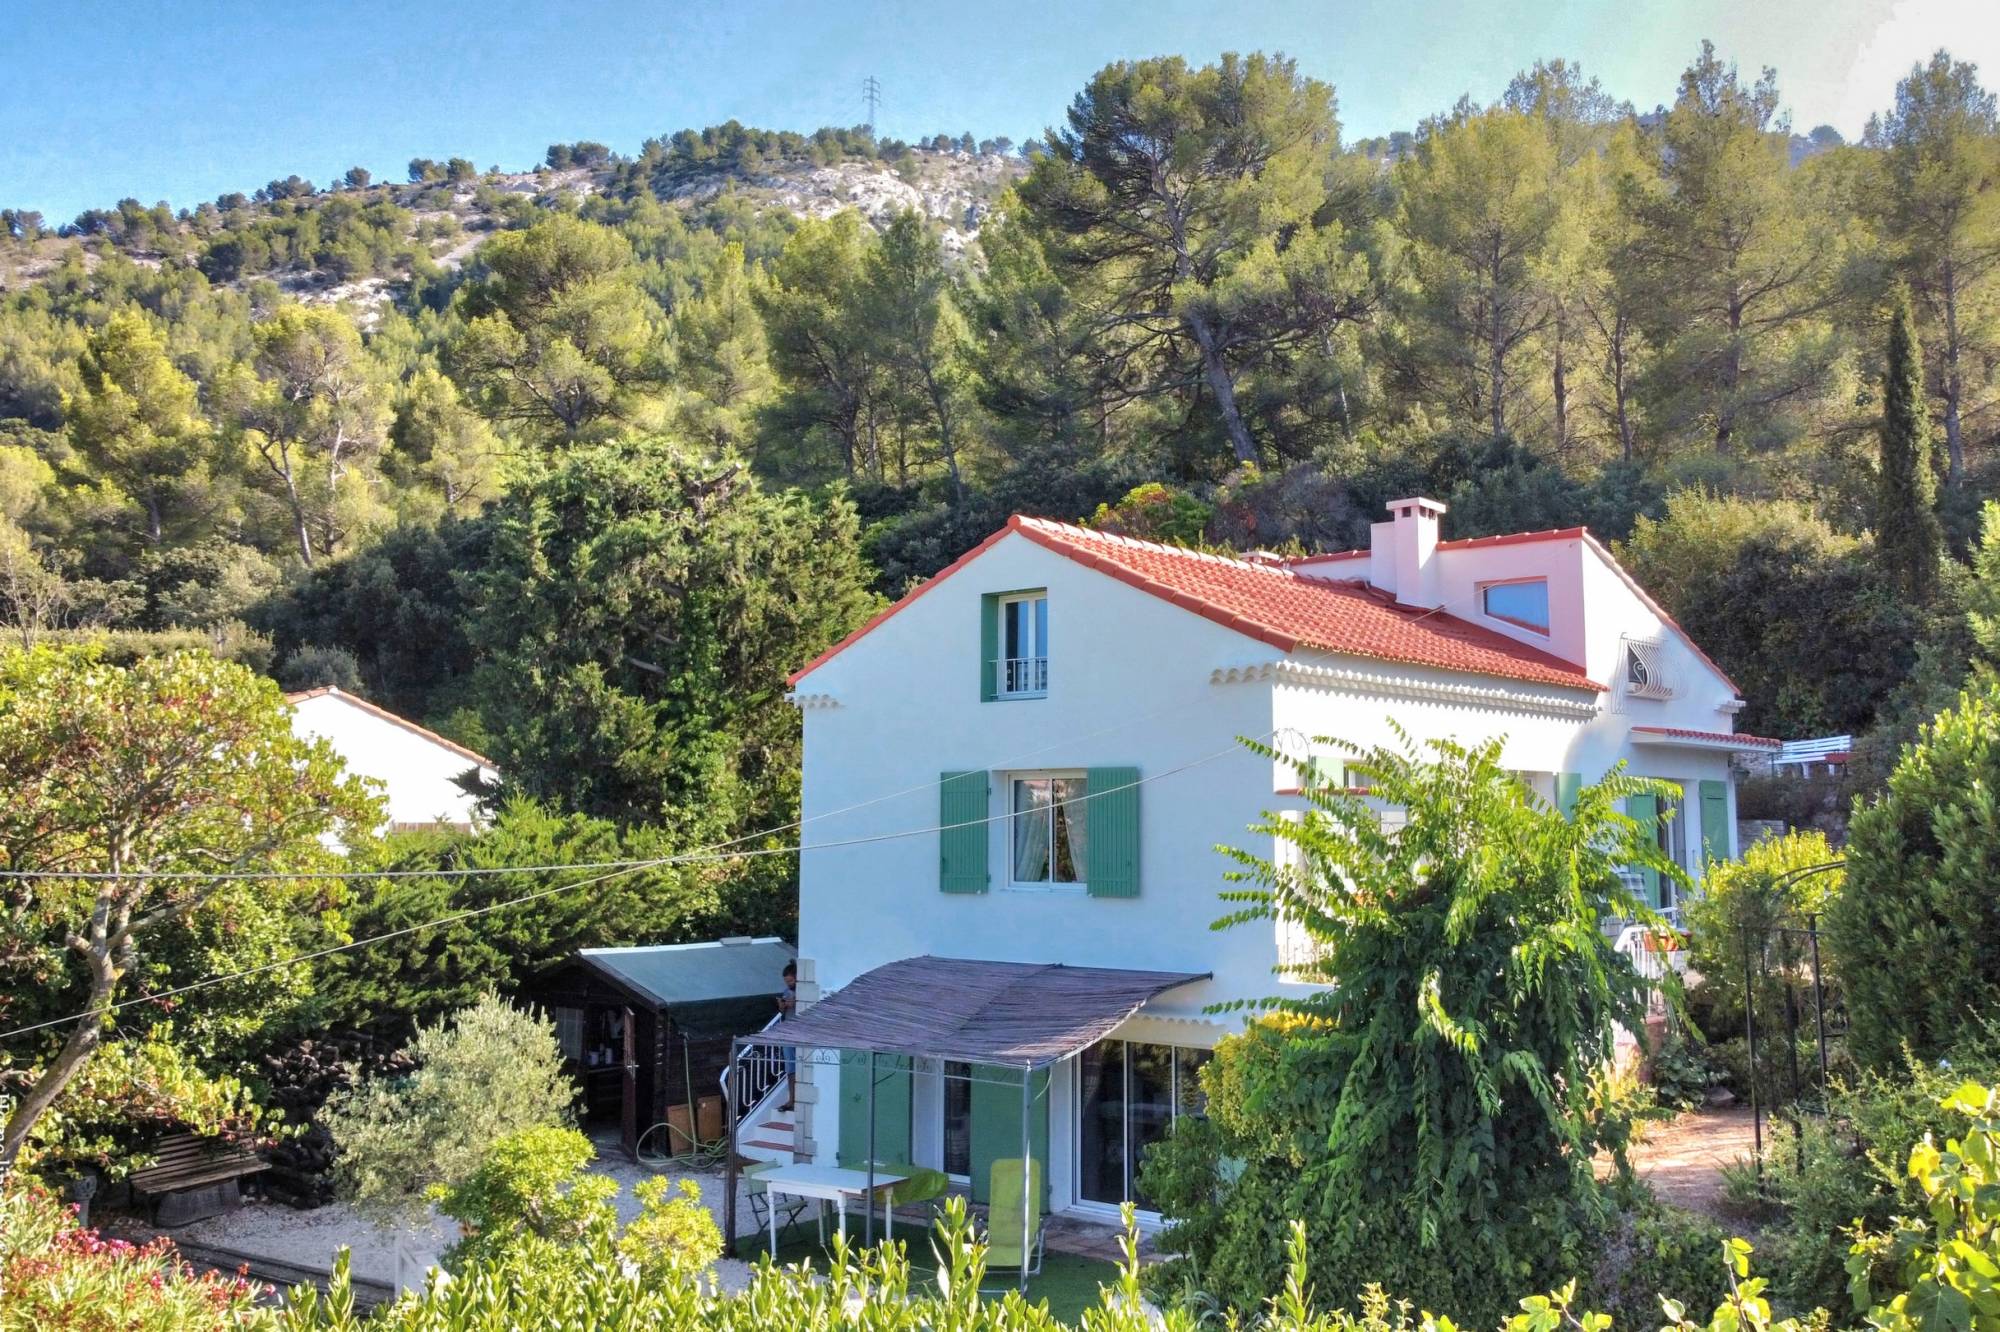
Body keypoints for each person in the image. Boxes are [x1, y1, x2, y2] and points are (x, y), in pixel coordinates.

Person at [776, 961, 798, 1111]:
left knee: (800, 1065)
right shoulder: (786, 992)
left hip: (801, 1032)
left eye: (790, 981)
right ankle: (792, 1099)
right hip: (788, 1032)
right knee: (790, 1067)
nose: (789, 984)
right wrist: (782, 1006)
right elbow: (782, 1013)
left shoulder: (803, 992)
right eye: (786, 981)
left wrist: (795, 1003)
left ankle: (798, 1098)